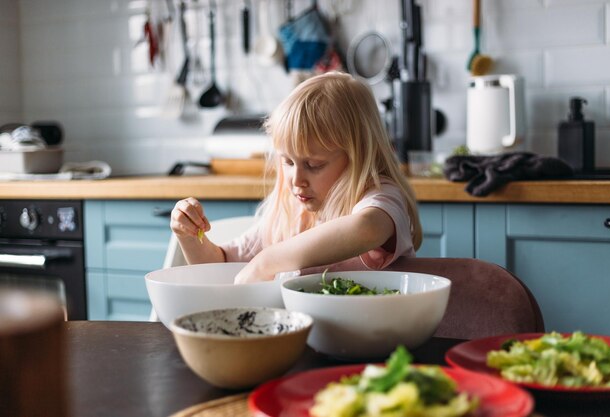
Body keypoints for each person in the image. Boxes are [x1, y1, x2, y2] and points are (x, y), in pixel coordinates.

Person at [170, 71, 422, 283]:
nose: (296, 179)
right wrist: (188, 235)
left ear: (358, 156)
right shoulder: (292, 213)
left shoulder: (381, 198)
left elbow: (366, 228)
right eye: (288, 161)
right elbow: (220, 267)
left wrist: (266, 261)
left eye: (313, 164)